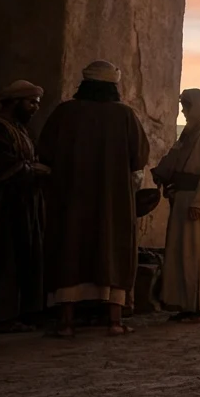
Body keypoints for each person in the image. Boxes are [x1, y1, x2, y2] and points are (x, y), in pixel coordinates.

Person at [37, 60, 150, 337]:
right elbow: (140, 157)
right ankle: (114, 322)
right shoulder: (124, 115)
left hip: (71, 198)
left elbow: (45, 151)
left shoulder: (65, 113)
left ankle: (66, 323)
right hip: (114, 200)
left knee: (70, 248)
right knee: (112, 247)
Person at [152, 88, 200, 324]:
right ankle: (184, 304)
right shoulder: (190, 131)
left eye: (187, 107)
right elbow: (175, 156)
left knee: (199, 253)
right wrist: (162, 175)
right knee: (181, 253)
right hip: (183, 198)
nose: (184, 112)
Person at [0, 80, 48, 333]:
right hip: (2, 205)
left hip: (24, 203)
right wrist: (32, 170)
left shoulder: (20, 129)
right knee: (4, 258)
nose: (35, 108)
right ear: (15, 102)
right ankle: (2, 316)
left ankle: (22, 312)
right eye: (31, 102)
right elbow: (0, 165)